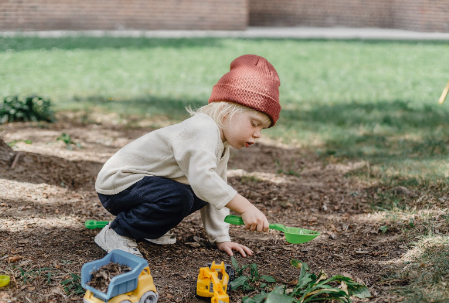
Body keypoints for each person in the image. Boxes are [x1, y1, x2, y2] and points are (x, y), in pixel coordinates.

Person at [94, 54, 281, 258]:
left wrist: (221, 238)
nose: (257, 134)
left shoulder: (221, 142)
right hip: (119, 183)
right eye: (254, 123)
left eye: (263, 129)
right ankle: (117, 233)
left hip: (143, 186)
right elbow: (204, 180)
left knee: (201, 193)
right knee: (180, 196)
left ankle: (147, 229)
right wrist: (245, 207)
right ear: (226, 112)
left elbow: (215, 189)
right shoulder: (203, 129)